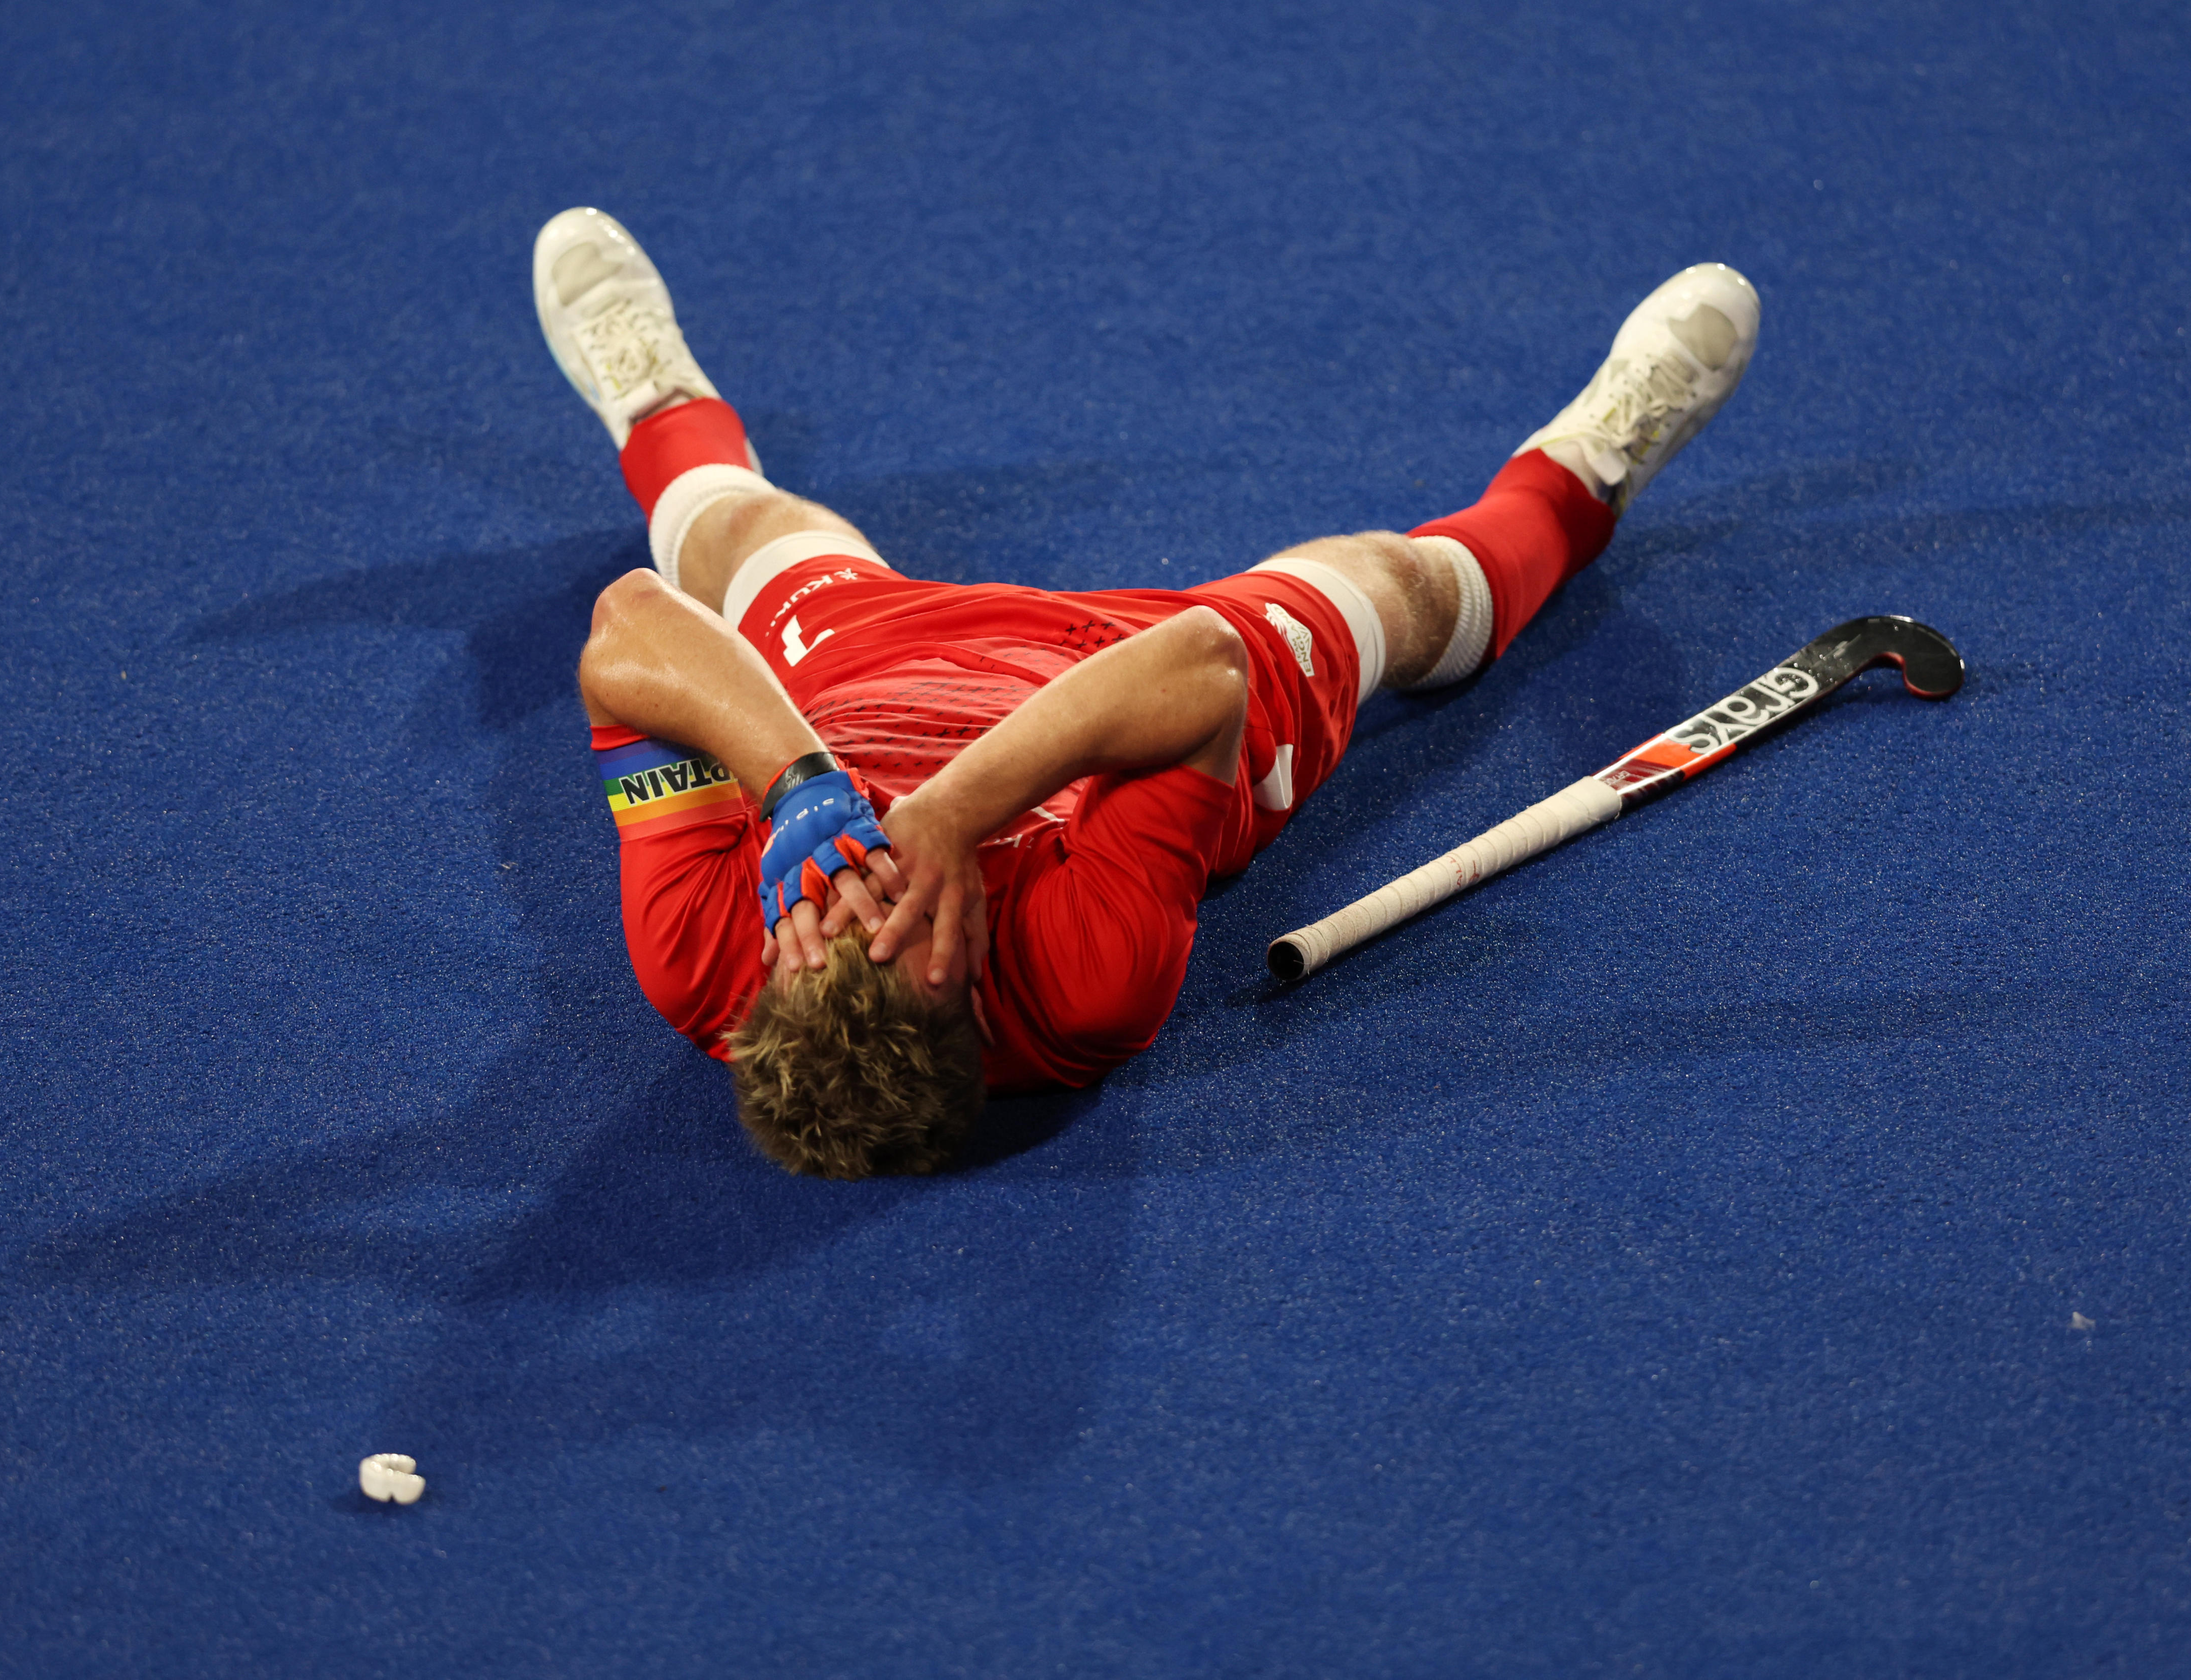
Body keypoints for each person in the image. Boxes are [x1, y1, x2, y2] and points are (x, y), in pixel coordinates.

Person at [541, 207, 1759, 1178]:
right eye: (899, 923)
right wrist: (948, 817)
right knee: (1397, 589)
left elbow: (632, 623)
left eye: (821, 929)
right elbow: (1195, 671)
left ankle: (652, 400)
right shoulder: (1082, 984)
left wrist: (800, 780)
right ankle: (1581, 472)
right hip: (1116, 686)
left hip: (850, 671)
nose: (863, 886)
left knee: (739, 530)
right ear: (966, 984)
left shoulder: (705, 956)